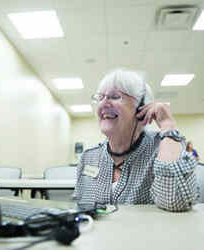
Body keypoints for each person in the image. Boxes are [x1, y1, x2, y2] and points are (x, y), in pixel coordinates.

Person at [73, 68, 198, 212]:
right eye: (100, 97)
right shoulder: (89, 156)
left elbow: (176, 202)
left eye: (115, 96)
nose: (103, 104)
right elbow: (81, 208)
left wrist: (167, 125)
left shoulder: (164, 149)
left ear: (141, 109)